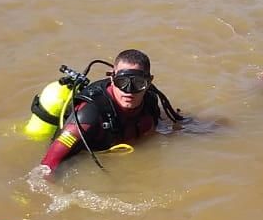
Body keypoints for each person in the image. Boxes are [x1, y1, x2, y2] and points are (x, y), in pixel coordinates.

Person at [40, 50, 178, 172]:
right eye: (122, 82)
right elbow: (47, 166)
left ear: (149, 81)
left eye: (138, 83)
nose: (129, 91)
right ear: (112, 79)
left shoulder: (150, 100)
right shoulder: (88, 114)